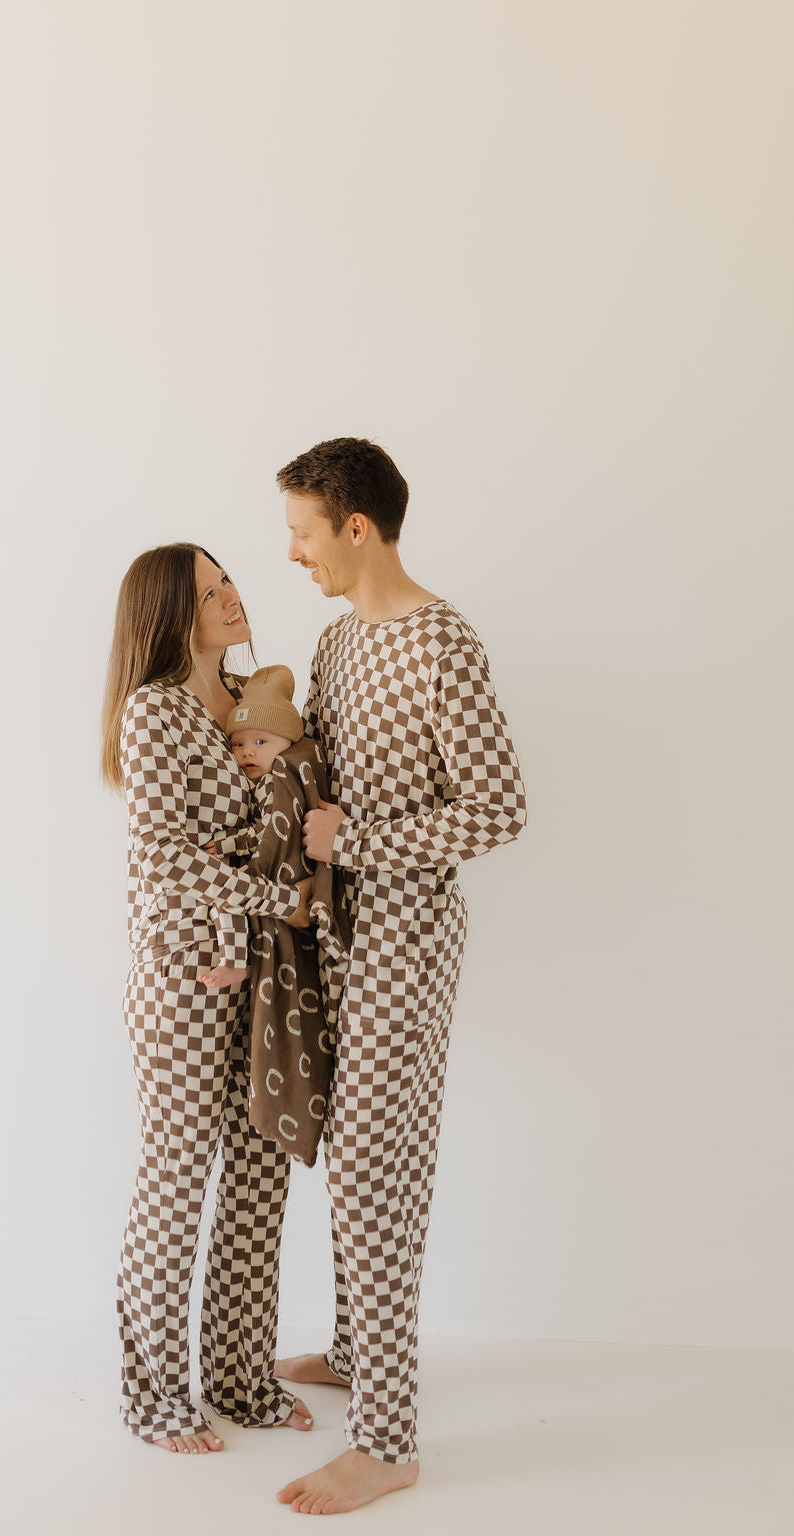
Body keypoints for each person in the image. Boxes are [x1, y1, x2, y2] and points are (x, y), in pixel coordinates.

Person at [271, 438, 527, 1515]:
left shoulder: (440, 644)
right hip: (337, 936)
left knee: (381, 1166)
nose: (292, 556)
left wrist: (354, 842)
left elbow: (500, 809)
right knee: (351, 1150)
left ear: (356, 528)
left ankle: (388, 1441)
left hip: (407, 940)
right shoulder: (333, 644)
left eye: (301, 534)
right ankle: (356, 1349)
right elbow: (325, 775)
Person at [100, 543, 316, 1454]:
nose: (232, 599)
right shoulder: (154, 713)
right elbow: (161, 859)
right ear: (165, 617)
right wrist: (277, 897)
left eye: (228, 582)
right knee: (178, 1181)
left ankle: (238, 1375)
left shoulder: (253, 706)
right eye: (207, 593)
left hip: (265, 979)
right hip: (184, 979)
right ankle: (154, 1395)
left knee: (261, 1180)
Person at [199, 665, 350, 1167]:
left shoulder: (283, 778)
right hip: (281, 899)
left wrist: (230, 849)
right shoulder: (283, 774)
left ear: (284, 742)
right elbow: (264, 827)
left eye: (259, 743)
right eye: (239, 744)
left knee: (229, 893)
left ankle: (237, 960)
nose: (246, 754)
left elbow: (270, 837)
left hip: (280, 892)